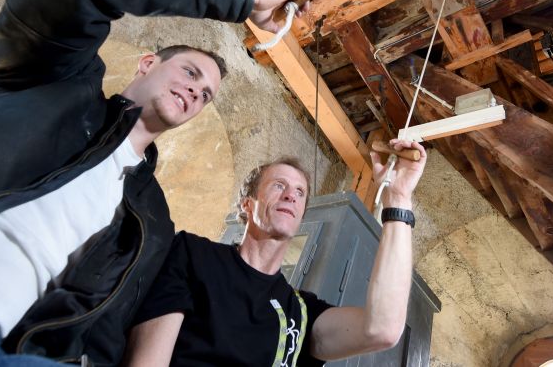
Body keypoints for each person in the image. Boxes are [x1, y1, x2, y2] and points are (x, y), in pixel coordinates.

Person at [0, 0, 308, 366]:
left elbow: (105, 331)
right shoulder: (54, 85)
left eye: (206, 95)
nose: (197, 91)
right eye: (191, 72)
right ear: (147, 63)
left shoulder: (151, 220)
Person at [124, 139, 426, 366]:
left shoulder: (300, 312)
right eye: (278, 185)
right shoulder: (194, 254)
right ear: (247, 204)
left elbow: (382, 330)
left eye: (300, 193)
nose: (290, 196)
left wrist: (397, 199)